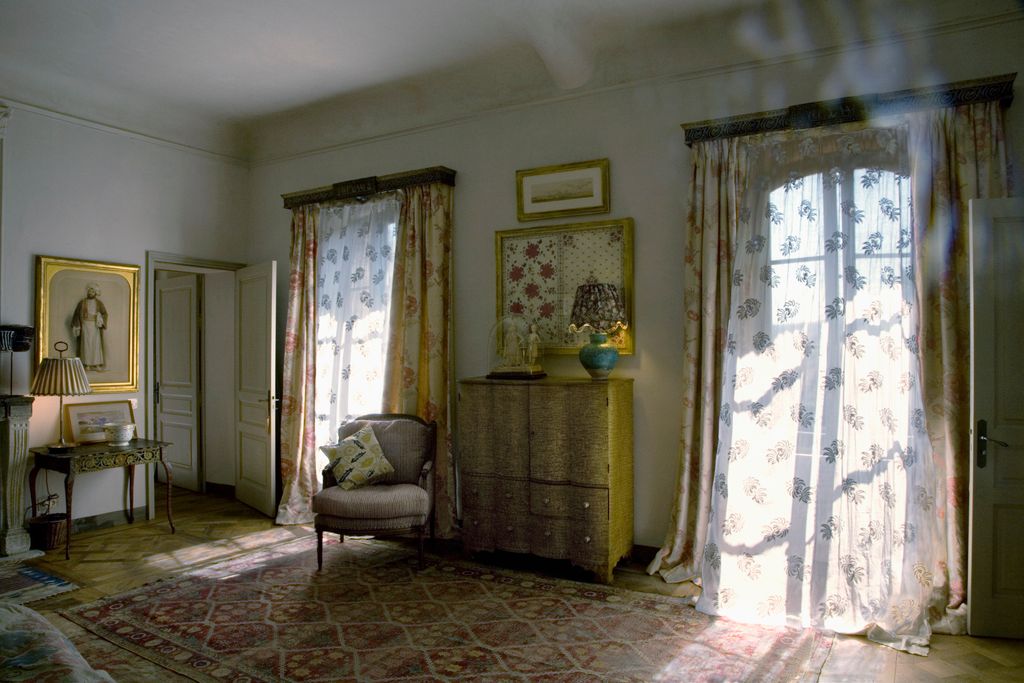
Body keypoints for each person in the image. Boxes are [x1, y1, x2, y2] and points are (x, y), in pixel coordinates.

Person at [71, 283, 107, 370]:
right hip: (85, 326)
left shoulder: (99, 303)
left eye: (92, 291)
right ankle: (86, 364)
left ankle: (96, 364)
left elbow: (104, 314)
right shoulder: (82, 302)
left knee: (96, 345)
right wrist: (77, 324)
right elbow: (76, 314)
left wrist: (100, 318)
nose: (91, 293)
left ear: (95, 293)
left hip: (95, 327)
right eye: (89, 291)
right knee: (86, 345)